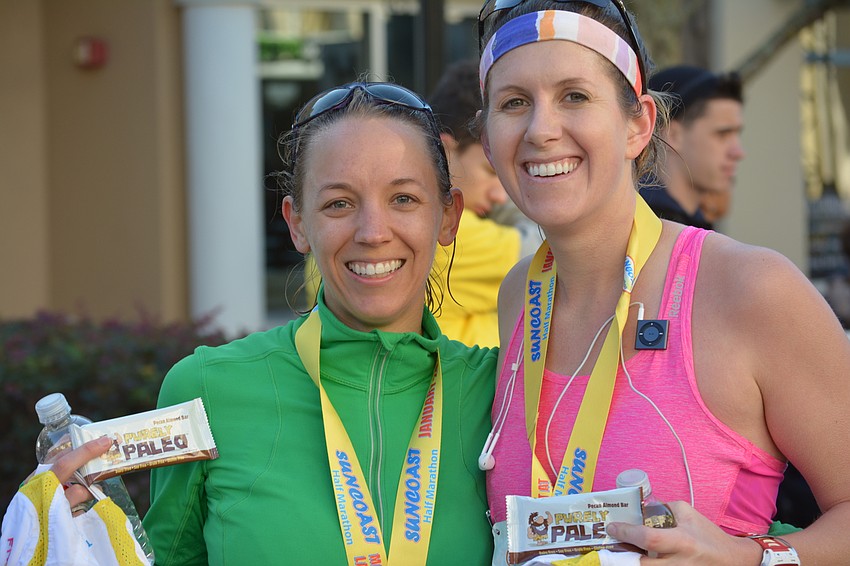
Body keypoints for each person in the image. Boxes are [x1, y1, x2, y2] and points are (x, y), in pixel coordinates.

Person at [4, 83, 498, 564]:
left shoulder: (503, 396)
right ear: (298, 223)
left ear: (449, 217)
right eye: (338, 204)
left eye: (404, 199)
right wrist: (79, 538)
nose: (372, 232)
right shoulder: (206, 389)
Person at [476, 1, 850, 564]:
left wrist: (755, 557)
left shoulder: (749, 288)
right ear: (485, 140)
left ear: (638, 124)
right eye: (514, 103)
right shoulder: (518, 295)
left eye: (574, 96)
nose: (541, 129)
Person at [429, 58, 523, 347]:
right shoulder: (445, 232)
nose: (500, 195)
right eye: (490, 171)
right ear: (444, 151)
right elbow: (546, 250)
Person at [640, 64, 745, 229]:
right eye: (722, 134)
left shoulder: (697, 229)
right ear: (674, 136)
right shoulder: (638, 229)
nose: (738, 152)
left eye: (737, 135)